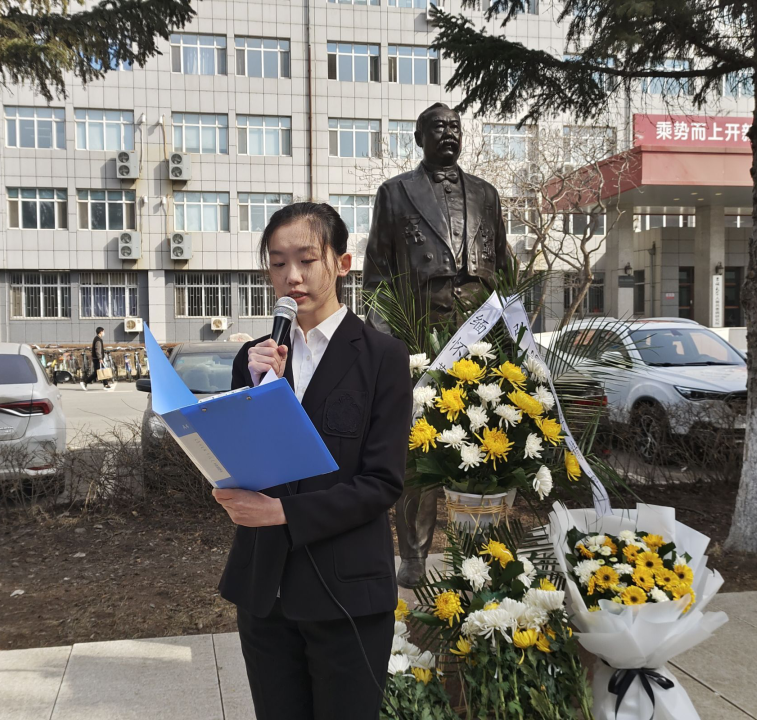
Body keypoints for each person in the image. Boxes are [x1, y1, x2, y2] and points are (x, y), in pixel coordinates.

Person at [215, 202, 412, 720]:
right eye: (278, 263)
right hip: (265, 592)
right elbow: (245, 464)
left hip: (347, 595)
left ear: (342, 264)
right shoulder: (255, 359)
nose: (292, 277)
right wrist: (258, 391)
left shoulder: (382, 357)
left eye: (306, 260)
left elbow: (382, 482)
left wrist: (282, 513)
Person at [362, 102, 512, 587]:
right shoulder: (395, 192)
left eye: (455, 126)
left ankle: (484, 553)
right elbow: (377, 276)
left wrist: (512, 333)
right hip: (419, 340)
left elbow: (505, 266)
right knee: (418, 454)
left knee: (487, 446)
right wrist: (385, 346)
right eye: (438, 127)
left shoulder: (486, 194)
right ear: (419, 137)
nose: (449, 133)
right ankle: (413, 554)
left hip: (479, 339)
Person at [80, 326, 114, 391]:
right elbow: (98, 350)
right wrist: (100, 358)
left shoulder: (97, 339)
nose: (104, 333)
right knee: (97, 372)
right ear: (100, 332)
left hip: (97, 358)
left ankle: (106, 384)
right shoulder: (98, 340)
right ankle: (85, 382)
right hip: (97, 359)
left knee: (101, 370)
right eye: (103, 331)